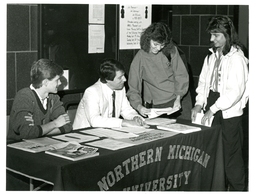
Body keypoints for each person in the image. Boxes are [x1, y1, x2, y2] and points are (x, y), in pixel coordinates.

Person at [191, 16, 249, 191]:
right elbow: (203, 83)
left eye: (216, 35)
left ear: (227, 34)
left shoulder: (237, 58)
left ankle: (238, 189)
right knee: (214, 153)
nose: (211, 39)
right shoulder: (211, 56)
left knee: (231, 157)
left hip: (229, 111)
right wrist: (199, 104)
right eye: (211, 35)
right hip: (212, 104)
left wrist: (213, 109)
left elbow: (234, 92)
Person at [127, 22, 189, 118]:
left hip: (176, 99)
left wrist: (178, 98)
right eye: (155, 44)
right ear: (148, 40)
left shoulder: (171, 51)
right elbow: (133, 86)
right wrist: (139, 106)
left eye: (162, 45)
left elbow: (181, 75)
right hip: (155, 105)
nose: (158, 48)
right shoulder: (140, 56)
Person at [7, 59, 72, 143]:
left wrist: (40, 132)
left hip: (42, 144)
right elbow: (27, 133)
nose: (59, 83)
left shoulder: (53, 97)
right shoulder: (24, 96)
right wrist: (55, 124)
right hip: (17, 148)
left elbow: (67, 126)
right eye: (57, 80)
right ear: (45, 82)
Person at [73, 58, 145, 129]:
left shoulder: (120, 88)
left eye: (123, 75)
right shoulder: (91, 92)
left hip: (107, 132)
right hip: (85, 134)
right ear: (107, 80)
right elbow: (94, 120)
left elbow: (126, 109)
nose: (125, 79)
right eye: (120, 77)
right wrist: (123, 122)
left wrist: (135, 117)